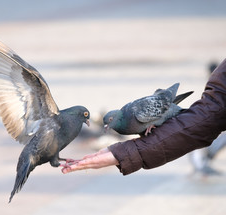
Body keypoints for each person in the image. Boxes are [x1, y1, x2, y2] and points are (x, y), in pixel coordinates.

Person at [61, 59, 226, 175]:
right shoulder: (123, 120)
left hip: (166, 107)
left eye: (109, 122)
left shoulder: (137, 114)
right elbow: (211, 112)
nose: (107, 126)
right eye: (107, 123)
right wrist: (125, 153)